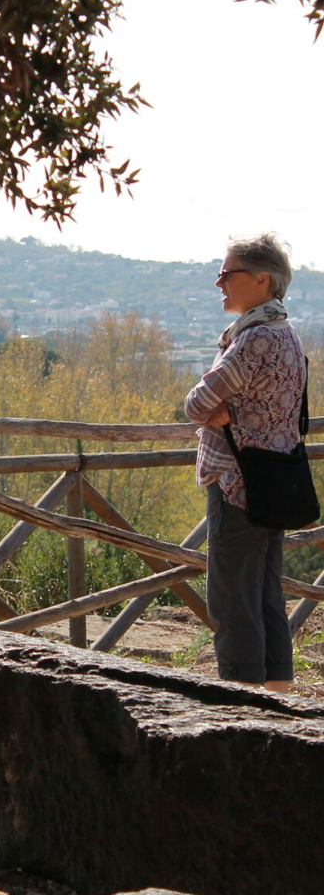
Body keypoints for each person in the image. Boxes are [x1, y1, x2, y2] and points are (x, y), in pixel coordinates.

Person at [184, 233, 305, 693]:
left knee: (233, 600)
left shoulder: (253, 341)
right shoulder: (287, 334)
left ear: (262, 280)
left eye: (227, 273)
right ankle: (278, 704)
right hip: (275, 482)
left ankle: (243, 712)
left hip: (238, 481)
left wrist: (219, 410)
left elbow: (196, 404)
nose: (219, 282)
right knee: (266, 597)